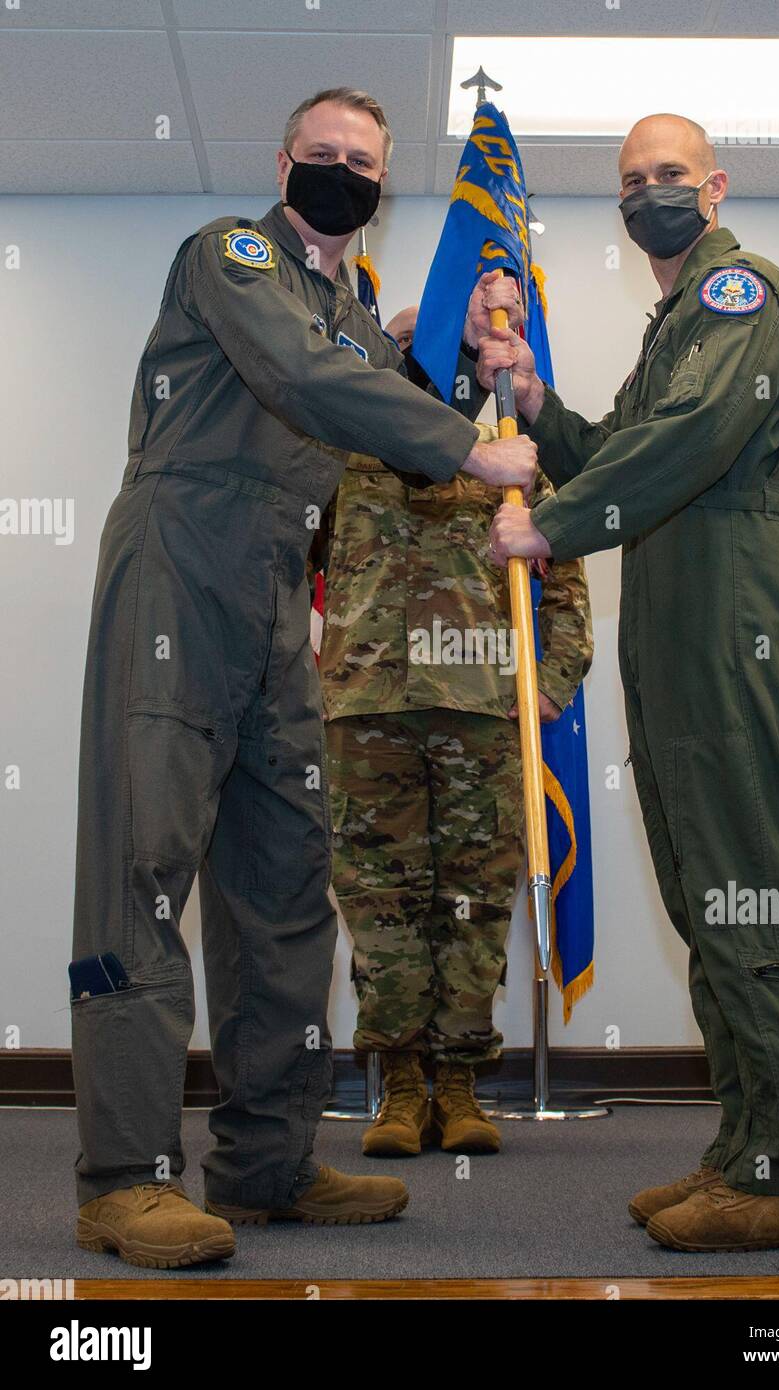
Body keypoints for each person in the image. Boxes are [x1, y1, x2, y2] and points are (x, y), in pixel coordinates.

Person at [70, 87, 534, 1268]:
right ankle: (127, 1177)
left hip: (282, 588)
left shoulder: (348, 311)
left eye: (362, 160)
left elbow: (390, 389)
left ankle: (267, 1162)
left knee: (283, 887)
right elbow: (304, 375)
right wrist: (470, 448)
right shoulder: (233, 259)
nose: (341, 170)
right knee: (142, 870)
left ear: (380, 185)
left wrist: (479, 350)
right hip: (180, 563)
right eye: (322, 153)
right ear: (285, 163)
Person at [478, 113, 779, 1253]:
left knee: (752, 882)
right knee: (705, 886)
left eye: (671, 176)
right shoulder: (675, 323)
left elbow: (688, 443)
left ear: (717, 186)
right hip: (683, 614)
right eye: (632, 180)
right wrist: (543, 412)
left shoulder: (747, 296)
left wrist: (543, 525)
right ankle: (747, 1146)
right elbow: (630, 453)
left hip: (733, 607)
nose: (651, 193)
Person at [320, 305, 593, 1157]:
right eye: (406, 345)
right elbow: (284, 562)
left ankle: (462, 1085)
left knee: (473, 901)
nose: (422, 359)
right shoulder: (341, 450)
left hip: (483, 710)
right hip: (367, 706)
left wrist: (548, 687)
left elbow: (568, 568)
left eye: (437, 344)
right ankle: (400, 1086)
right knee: (381, 901)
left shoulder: (510, 456)